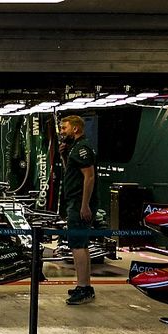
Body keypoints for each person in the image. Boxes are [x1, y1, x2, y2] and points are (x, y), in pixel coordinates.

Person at [59, 115, 98, 305]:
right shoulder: (74, 148)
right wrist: (64, 156)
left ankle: (83, 288)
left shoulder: (82, 148)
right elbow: (72, 172)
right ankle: (85, 285)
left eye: (64, 128)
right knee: (81, 244)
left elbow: (89, 177)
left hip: (78, 203)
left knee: (77, 245)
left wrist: (84, 205)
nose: (61, 131)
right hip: (74, 202)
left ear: (75, 129)